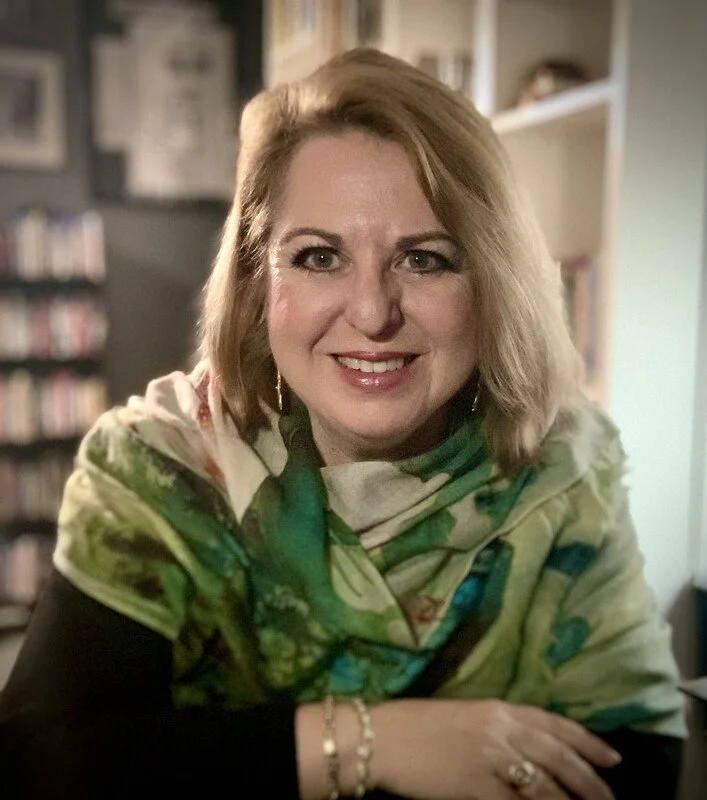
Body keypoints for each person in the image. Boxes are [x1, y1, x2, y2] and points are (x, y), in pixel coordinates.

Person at [0, 47, 686, 799]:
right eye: (319, 256)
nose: (371, 313)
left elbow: (636, 759)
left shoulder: (564, 466)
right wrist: (372, 744)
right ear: (260, 284)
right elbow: (44, 759)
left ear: (492, 282)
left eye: (424, 260)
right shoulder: (160, 465)